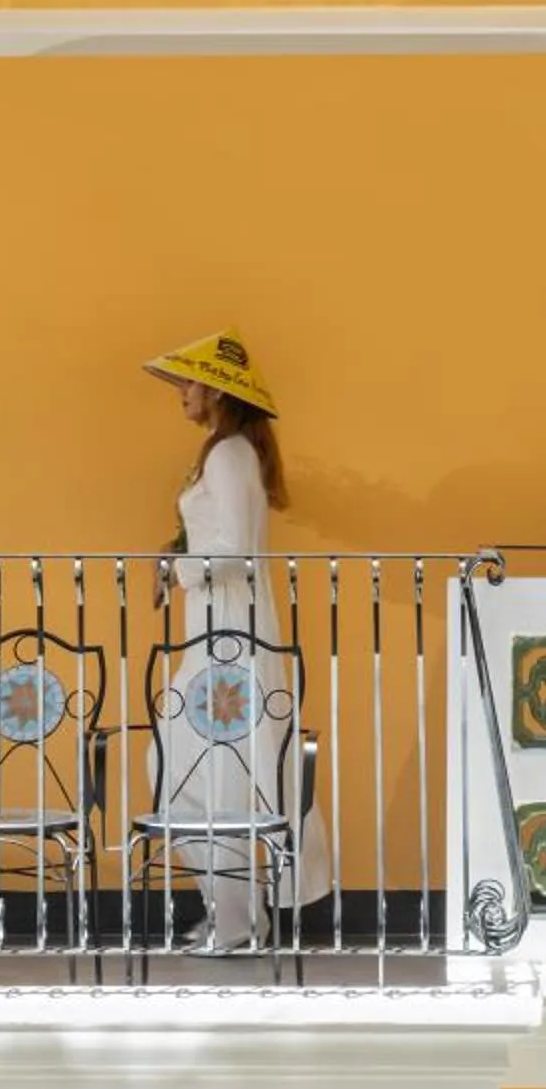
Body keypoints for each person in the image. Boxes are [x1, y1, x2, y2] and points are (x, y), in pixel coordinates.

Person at [141, 331, 335, 954]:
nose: (182, 395)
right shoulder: (229, 452)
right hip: (218, 628)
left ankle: (237, 919)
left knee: (196, 768)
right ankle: (238, 913)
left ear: (217, 390)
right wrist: (177, 556)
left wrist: (177, 569)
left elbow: (233, 552)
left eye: (190, 384)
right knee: (198, 767)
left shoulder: (228, 455)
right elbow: (221, 540)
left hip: (227, 636)